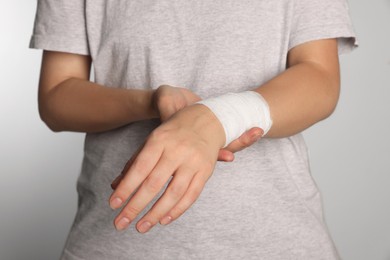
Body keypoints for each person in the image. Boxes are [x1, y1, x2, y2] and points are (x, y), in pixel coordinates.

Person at [30, 0, 357, 259]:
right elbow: (57, 96)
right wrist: (150, 102)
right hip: (116, 242)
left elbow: (319, 77)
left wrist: (216, 119)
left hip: (274, 242)